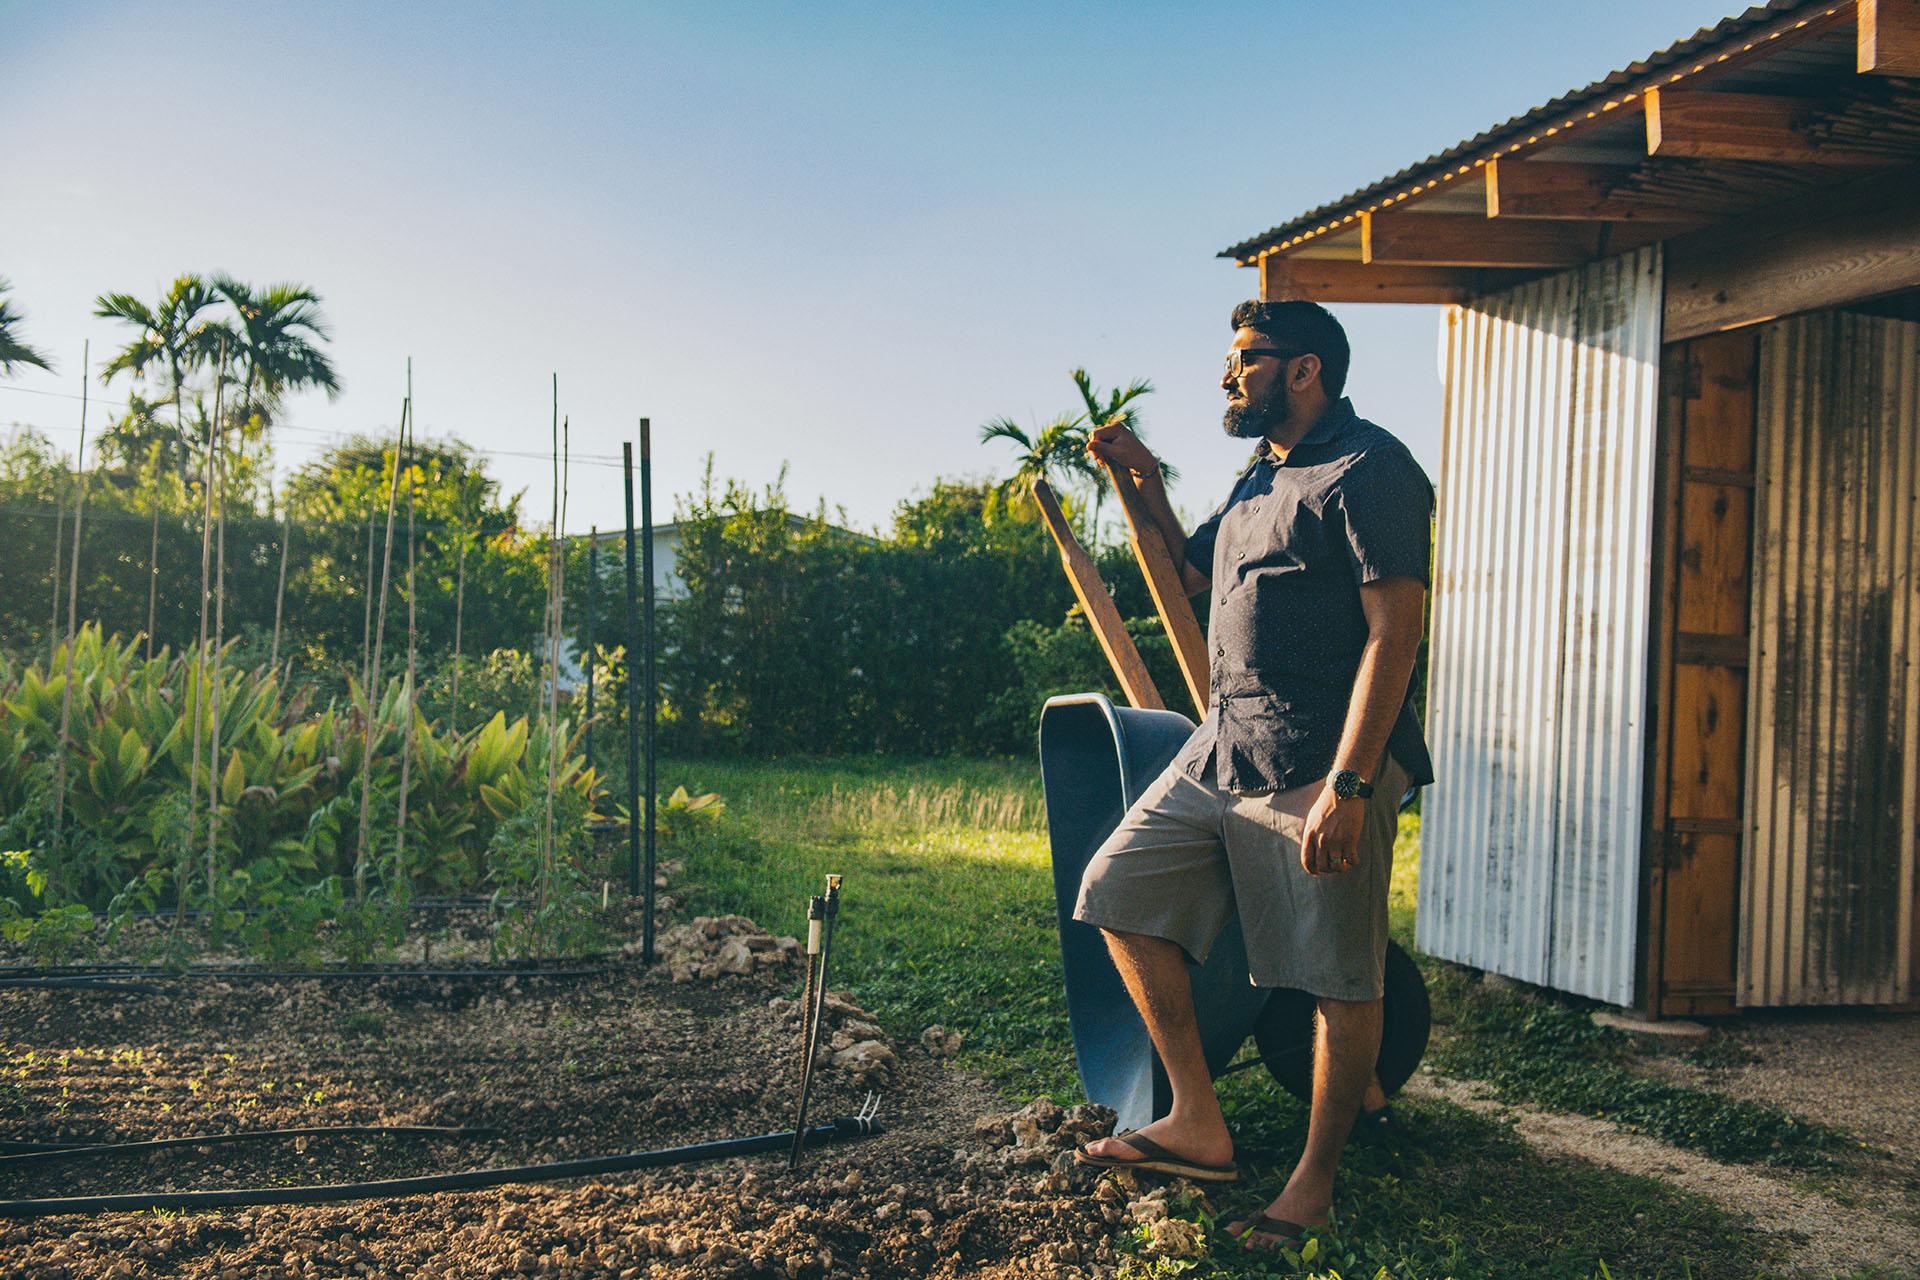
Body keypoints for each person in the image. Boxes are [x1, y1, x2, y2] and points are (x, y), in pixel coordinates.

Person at [1070, 299, 1434, 1250]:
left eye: (1245, 360)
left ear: (1303, 369)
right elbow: (1186, 576)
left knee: (1337, 978)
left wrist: (1352, 786)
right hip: (1223, 742)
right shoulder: (1256, 479)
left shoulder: (1371, 468)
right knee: (1117, 888)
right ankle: (1198, 1119)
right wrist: (1138, 481)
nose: (1228, 377)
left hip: (1320, 760)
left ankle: (1311, 1186)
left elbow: (1397, 630)